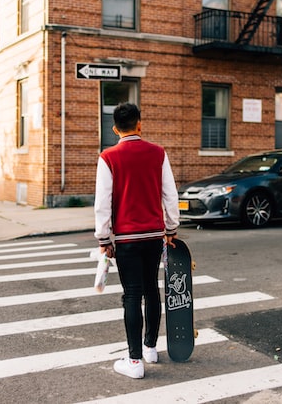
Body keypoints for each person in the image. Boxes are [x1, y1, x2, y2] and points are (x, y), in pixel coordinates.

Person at [94, 102, 180, 379]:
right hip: (154, 235)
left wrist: (103, 238)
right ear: (139, 124)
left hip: (128, 238)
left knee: (132, 295)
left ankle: (134, 362)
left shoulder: (108, 157)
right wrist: (171, 228)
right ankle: (150, 348)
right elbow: (170, 194)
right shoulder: (158, 153)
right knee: (152, 290)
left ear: (115, 128)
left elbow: (103, 204)